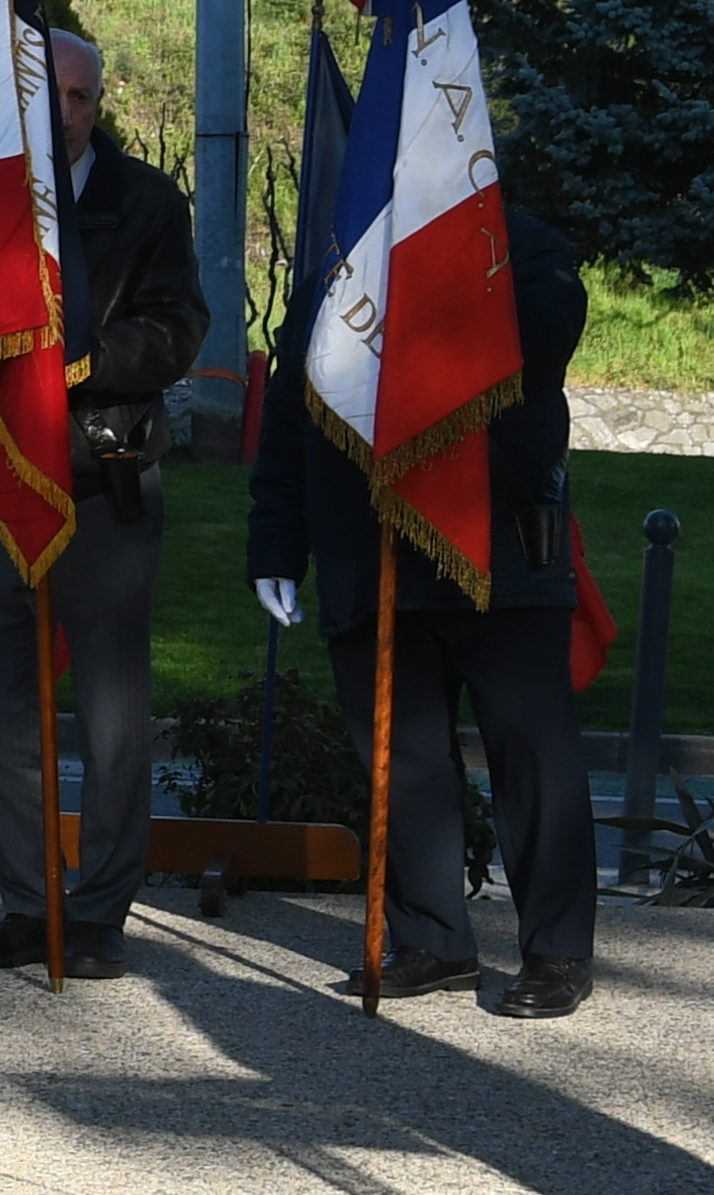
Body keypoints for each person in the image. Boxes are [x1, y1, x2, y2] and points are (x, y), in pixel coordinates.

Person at [0, 26, 207, 982]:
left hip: (102, 479)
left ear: (97, 105)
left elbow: (178, 329)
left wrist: (84, 361)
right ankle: (29, 906)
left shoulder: (147, 202)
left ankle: (103, 910)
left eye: (80, 98)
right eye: (48, 97)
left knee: (114, 716)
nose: (64, 114)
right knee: (3, 712)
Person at [246, 199, 602, 1015]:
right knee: (400, 763)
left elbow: (541, 347)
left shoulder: (527, 245)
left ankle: (556, 953)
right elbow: (292, 422)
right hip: (372, 551)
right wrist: (275, 545)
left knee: (532, 761)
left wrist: (447, 270)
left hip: (499, 549)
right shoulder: (337, 275)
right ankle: (432, 941)